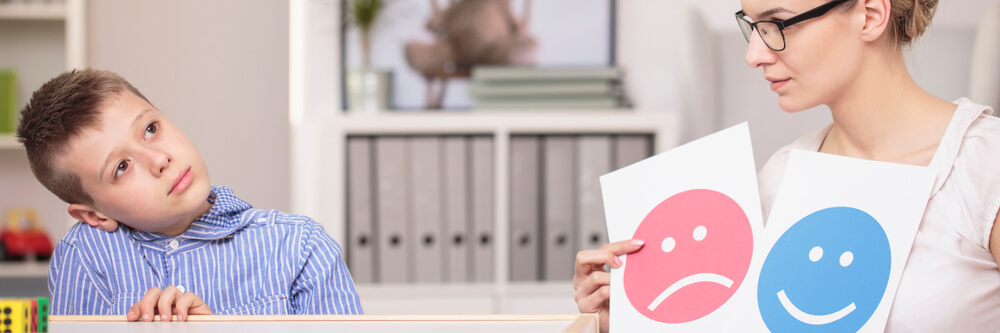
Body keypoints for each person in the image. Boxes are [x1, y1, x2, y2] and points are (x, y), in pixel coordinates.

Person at [573, 0, 1000, 331]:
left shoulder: (982, 165)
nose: (754, 54)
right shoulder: (778, 181)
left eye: (776, 25)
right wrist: (637, 322)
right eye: (753, 27)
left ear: (870, 15)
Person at [16, 69, 363, 321]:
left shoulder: (300, 247)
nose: (159, 160)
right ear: (94, 215)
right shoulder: (87, 258)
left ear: (161, 112)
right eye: (121, 167)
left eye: (150, 129)